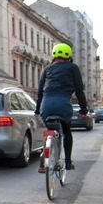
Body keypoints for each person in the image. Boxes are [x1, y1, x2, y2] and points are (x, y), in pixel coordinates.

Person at [35, 43, 88, 171]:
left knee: (49, 130)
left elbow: (40, 91)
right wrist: (84, 109)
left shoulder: (47, 69)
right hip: (63, 103)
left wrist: (37, 109)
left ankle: (44, 156)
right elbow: (79, 91)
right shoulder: (73, 68)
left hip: (46, 105)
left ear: (53, 55)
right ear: (69, 56)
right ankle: (68, 162)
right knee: (66, 130)